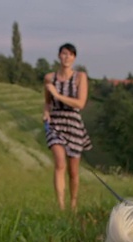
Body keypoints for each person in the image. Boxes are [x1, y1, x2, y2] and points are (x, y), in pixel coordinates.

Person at [43, 43, 92, 211]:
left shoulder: (80, 77)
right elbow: (47, 102)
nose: (67, 57)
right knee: (60, 164)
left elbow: (80, 103)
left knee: (73, 172)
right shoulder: (49, 78)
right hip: (56, 124)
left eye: (70, 55)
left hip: (73, 124)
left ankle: (73, 204)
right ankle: (61, 206)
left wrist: (58, 95)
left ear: (74, 58)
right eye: (64, 54)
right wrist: (46, 113)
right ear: (59, 56)